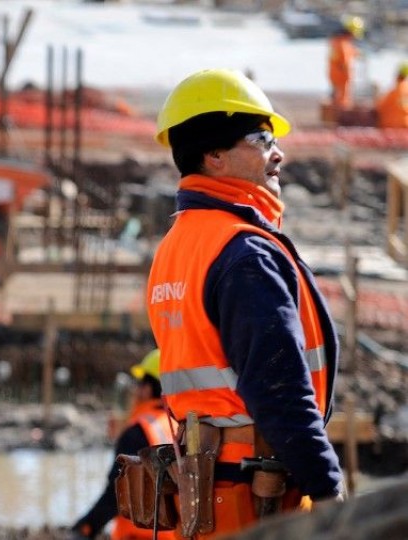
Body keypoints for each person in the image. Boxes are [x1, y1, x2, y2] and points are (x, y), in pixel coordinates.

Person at [147, 68, 344, 538]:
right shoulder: (243, 253)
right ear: (213, 154)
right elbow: (280, 392)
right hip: (255, 491)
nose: (279, 153)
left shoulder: (179, 243)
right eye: (261, 138)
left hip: (206, 487)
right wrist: (331, 490)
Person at [72, 349, 173, 540]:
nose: (136, 390)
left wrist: (86, 527)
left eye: (140, 383)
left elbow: (116, 495)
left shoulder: (137, 432)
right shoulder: (176, 427)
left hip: (137, 536)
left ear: (147, 389)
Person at [328, 15, 363, 109]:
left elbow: (348, 52)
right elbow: (345, 61)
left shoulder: (338, 41)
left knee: (337, 98)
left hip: (335, 76)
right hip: (341, 77)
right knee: (342, 102)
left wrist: (356, 53)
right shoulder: (343, 44)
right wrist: (349, 75)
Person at [376, 62, 408, 129]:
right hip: (404, 125)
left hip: (390, 126)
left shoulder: (393, 92)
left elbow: (380, 107)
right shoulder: (403, 90)